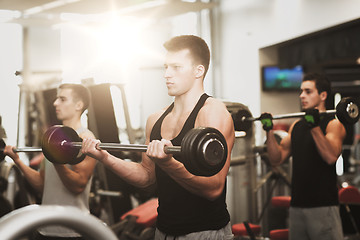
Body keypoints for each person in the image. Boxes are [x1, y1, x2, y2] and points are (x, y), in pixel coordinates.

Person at [81, 35, 235, 239]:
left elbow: (213, 188)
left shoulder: (213, 113)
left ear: (199, 71)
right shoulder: (156, 119)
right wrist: (104, 157)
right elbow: (146, 177)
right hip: (163, 231)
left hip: (204, 232)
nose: (166, 74)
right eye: (166, 67)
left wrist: (169, 163)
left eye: (176, 67)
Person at [4, 83, 97, 240]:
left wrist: (56, 158)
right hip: (46, 228)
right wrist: (17, 161)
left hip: (73, 231)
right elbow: (42, 184)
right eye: (56, 99)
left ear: (78, 105)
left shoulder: (86, 139)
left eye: (62, 99)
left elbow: (78, 185)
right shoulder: (53, 138)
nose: (55, 103)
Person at [259, 73, 346, 240]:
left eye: (308, 91)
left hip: (323, 206)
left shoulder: (333, 124)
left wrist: (314, 126)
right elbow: (276, 159)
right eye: (301, 91)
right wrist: (269, 131)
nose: (302, 96)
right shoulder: (297, 126)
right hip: (297, 206)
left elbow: (330, 156)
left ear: (323, 95)